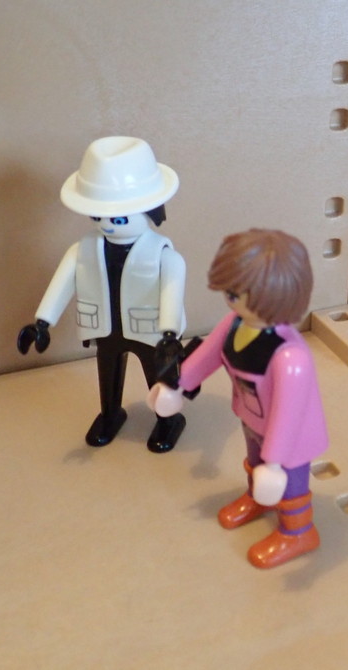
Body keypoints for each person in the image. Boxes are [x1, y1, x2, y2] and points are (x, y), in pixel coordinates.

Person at [148, 229, 328, 570]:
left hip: (290, 440)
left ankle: (299, 531)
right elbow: (208, 354)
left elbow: (288, 417)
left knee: (288, 482)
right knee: (254, 459)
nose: (229, 298)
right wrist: (178, 385)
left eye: (237, 291)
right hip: (251, 417)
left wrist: (275, 462)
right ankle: (259, 498)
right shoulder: (235, 323)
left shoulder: (290, 358)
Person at [17, 136, 187, 453]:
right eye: (97, 216)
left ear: (151, 210)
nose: (106, 225)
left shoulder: (163, 255)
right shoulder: (84, 249)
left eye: (118, 219)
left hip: (151, 332)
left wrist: (169, 333)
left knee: (160, 378)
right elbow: (62, 283)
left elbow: (171, 293)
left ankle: (167, 419)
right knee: (107, 373)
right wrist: (42, 323)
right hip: (106, 328)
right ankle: (110, 414)